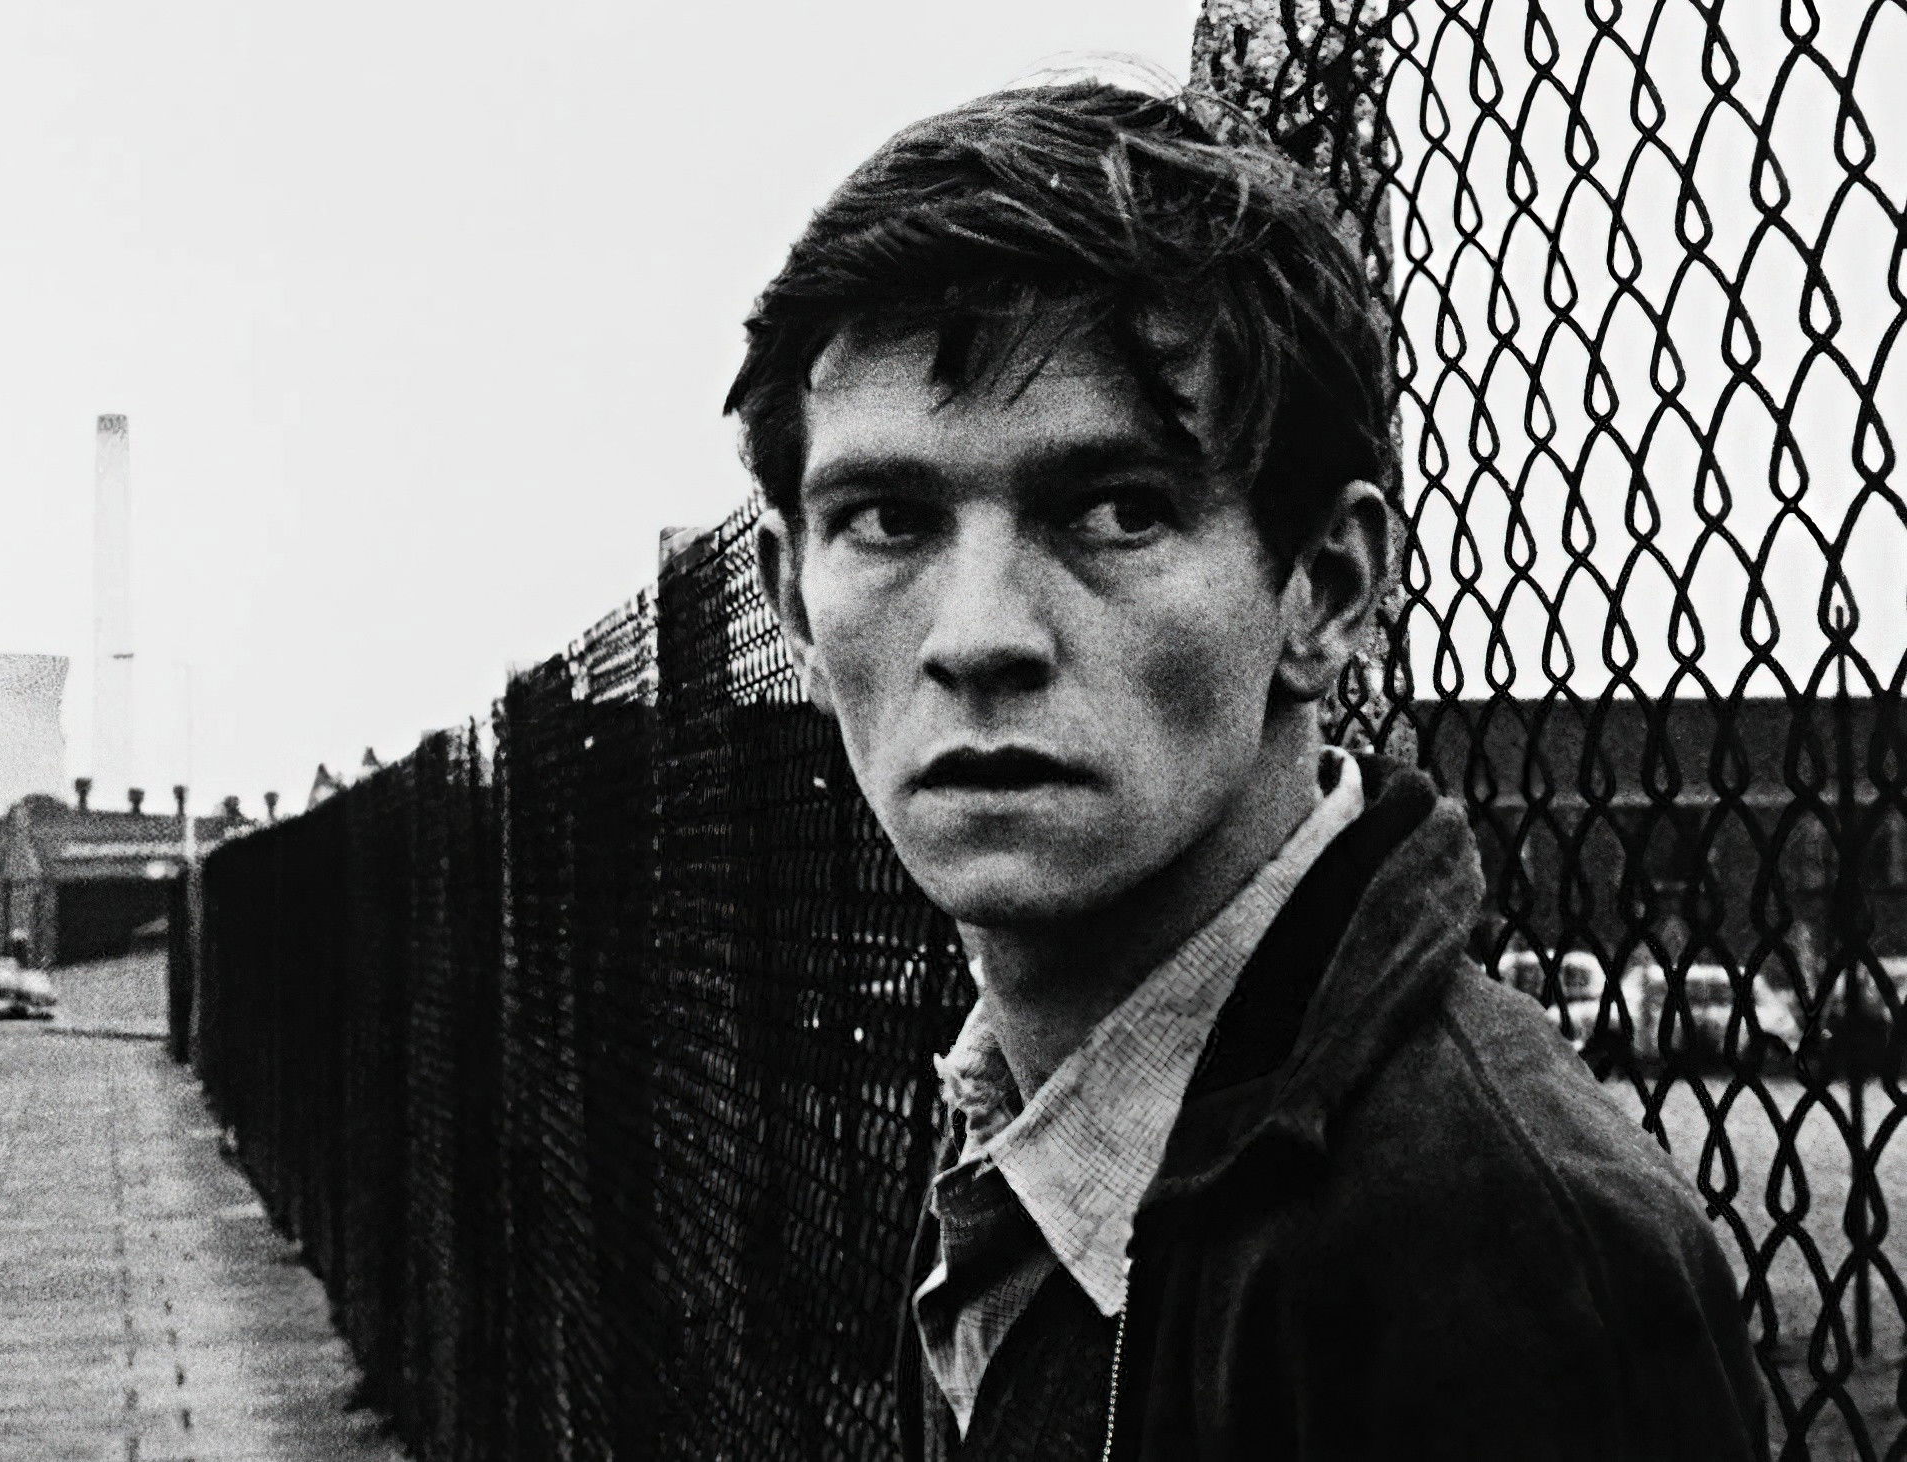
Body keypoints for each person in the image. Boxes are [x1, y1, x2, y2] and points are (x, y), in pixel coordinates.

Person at [734, 79, 1766, 1459]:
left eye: (1117, 509)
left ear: (1324, 590)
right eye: (886, 519)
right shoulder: (1024, 1105)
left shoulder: (1489, 1263)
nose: (978, 636)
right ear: (792, 605)